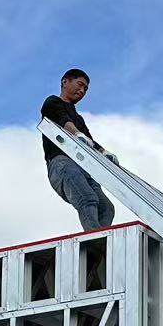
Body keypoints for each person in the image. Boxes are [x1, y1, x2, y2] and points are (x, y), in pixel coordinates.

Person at [41, 69, 117, 232]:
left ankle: (99, 244)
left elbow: (89, 140)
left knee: (106, 208)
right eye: (80, 84)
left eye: (85, 89)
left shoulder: (78, 118)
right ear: (65, 81)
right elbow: (62, 120)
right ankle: (95, 242)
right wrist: (76, 134)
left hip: (82, 166)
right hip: (61, 163)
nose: (82, 91)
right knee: (87, 198)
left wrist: (104, 152)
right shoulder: (52, 102)